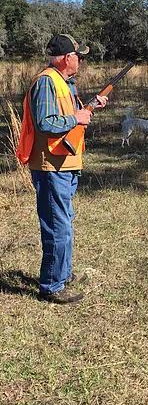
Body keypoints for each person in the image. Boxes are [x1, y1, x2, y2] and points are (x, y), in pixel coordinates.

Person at [16, 34, 108, 304]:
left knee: (64, 222)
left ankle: (62, 274)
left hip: (64, 162)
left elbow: (70, 118)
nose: (80, 60)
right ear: (68, 58)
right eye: (78, 56)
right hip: (51, 166)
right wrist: (76, 117)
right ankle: (52, 286)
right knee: (57, 226)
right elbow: (46, 123)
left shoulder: (64, 83)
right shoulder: (46, 82)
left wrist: (89, 108)